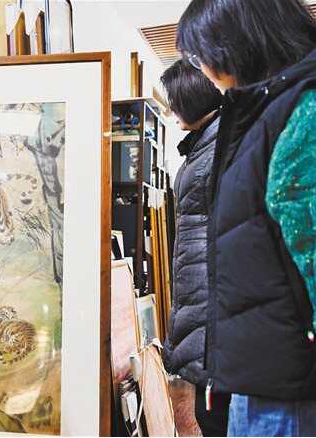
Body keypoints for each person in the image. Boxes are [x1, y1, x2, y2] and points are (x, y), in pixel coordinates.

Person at [177, 0, 316, 435]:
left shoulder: (302, 109)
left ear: (235, 43)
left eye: (200, 55)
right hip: (258, 372)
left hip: (289, 383)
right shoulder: (257, 112)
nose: (203, 69)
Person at [160, 59, 229, 436]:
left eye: (174, 102)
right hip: (201, 291)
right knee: (210, 413)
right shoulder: (204, 146)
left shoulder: (218, 146)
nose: (171, 111)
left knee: (214, 415)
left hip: (211, 297)